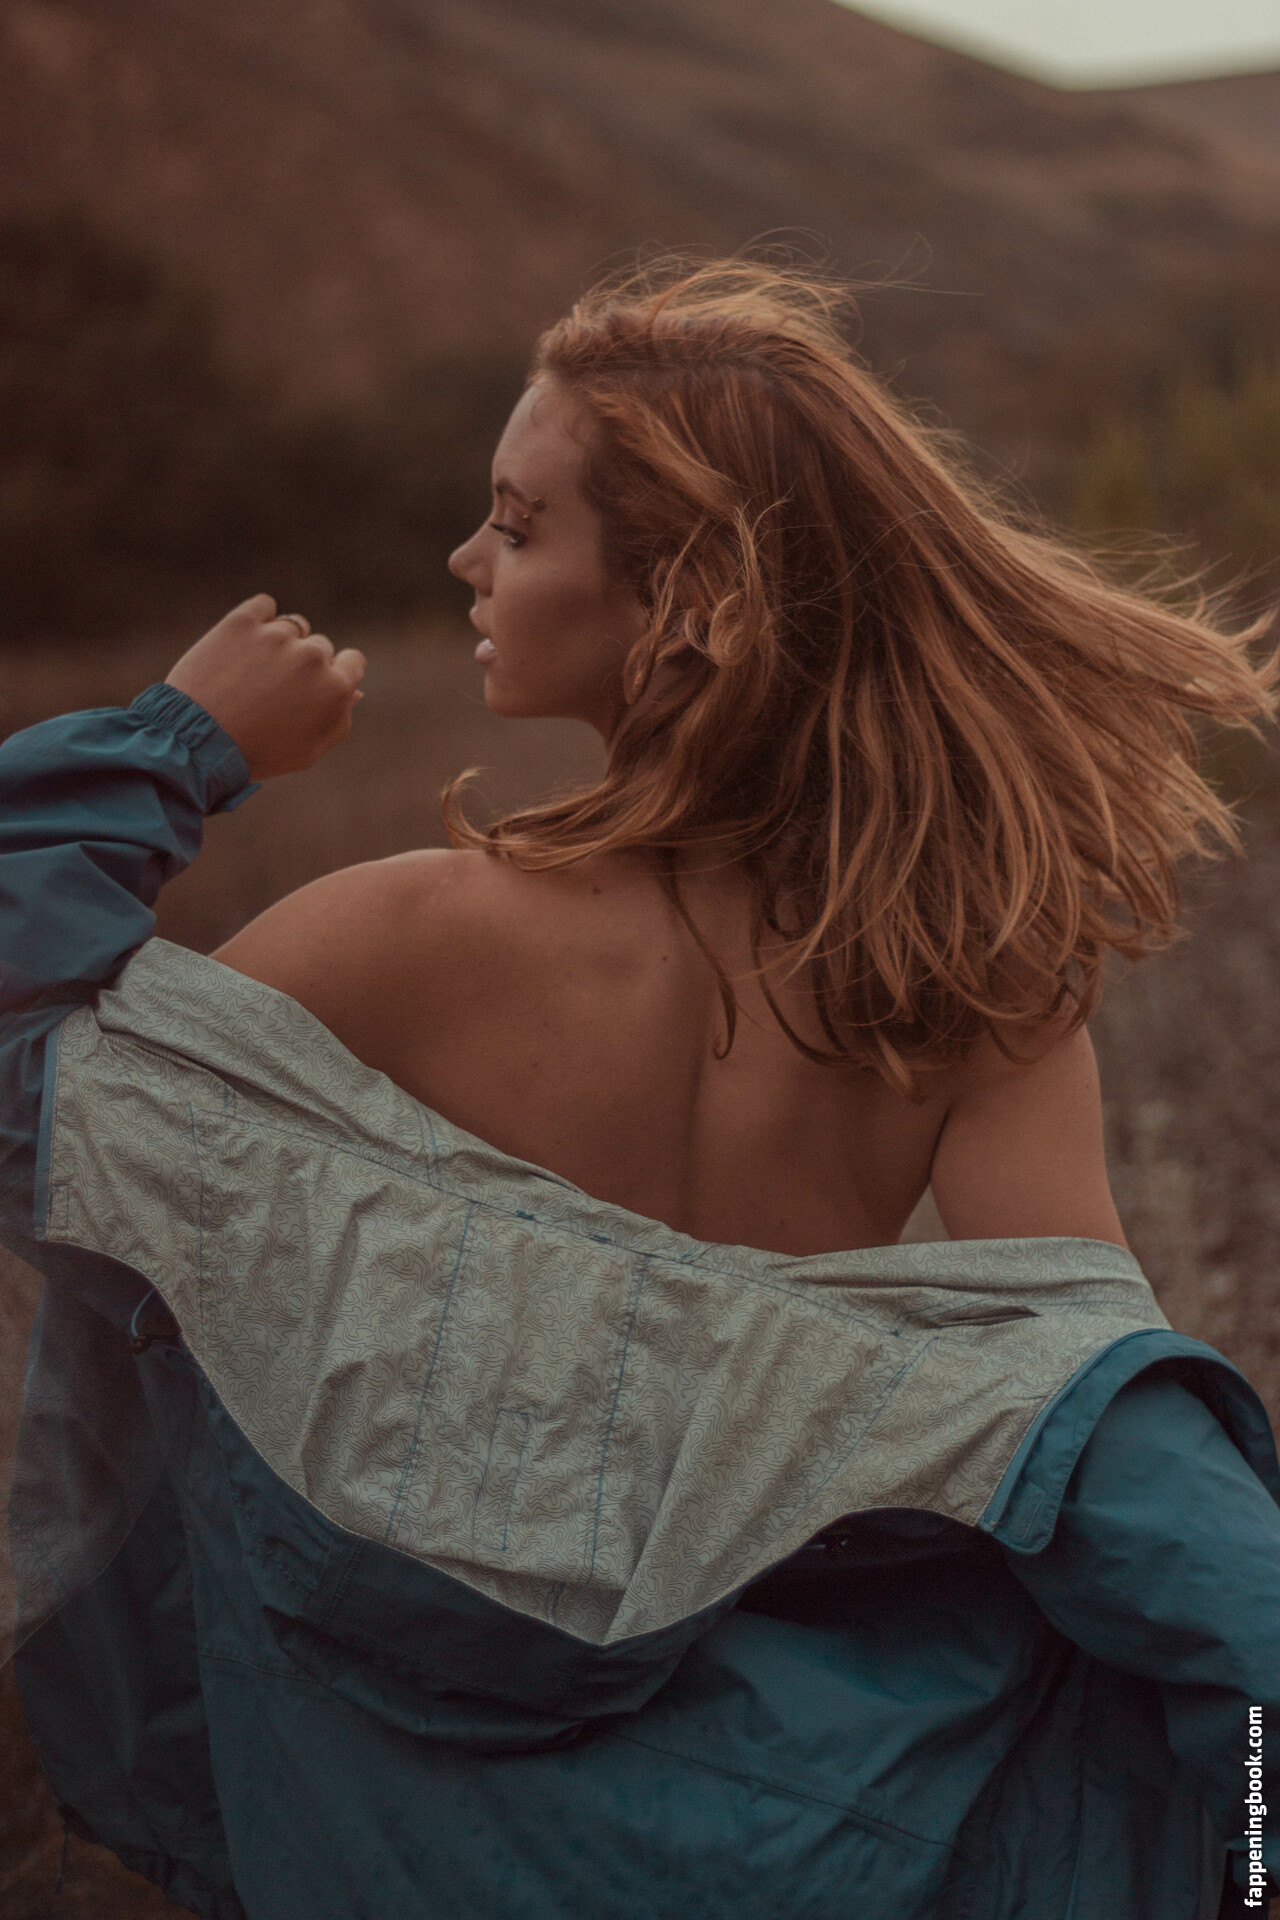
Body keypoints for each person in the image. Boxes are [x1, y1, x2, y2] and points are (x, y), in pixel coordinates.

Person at [2, 260, 1278, 1920]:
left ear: (689, 604)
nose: (467, 562)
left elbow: (38, 1071)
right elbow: (1089, 1442)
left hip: (422, 1828)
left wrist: (180, 742)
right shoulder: (977, 992)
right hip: (834, 1828)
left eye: (517, 525)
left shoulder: (400, 941)